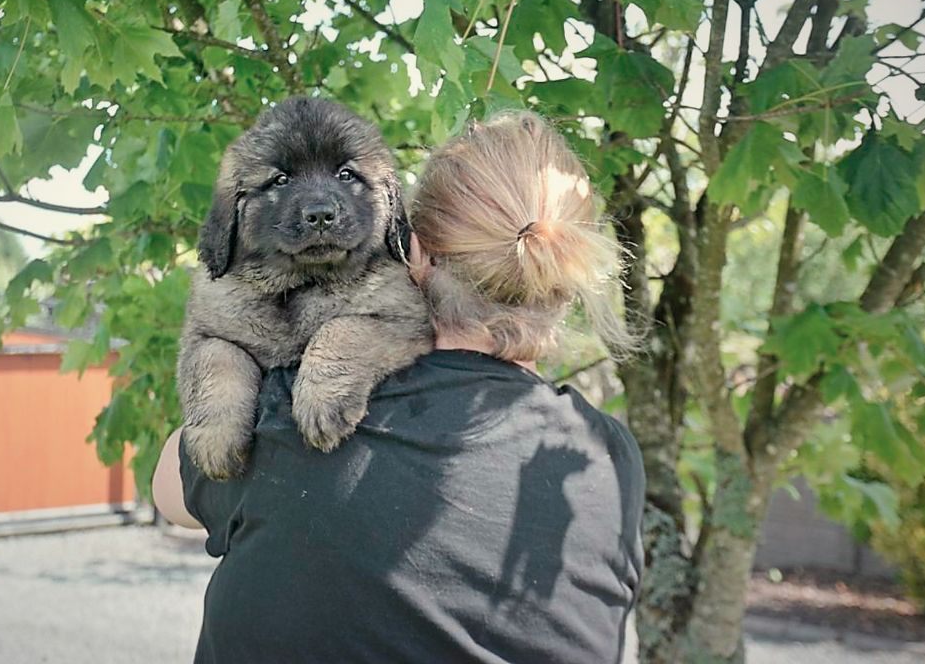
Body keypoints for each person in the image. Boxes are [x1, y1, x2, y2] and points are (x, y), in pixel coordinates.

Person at [154, 111, 646, 664]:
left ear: (411, 248)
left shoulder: (284, 417)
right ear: (563, 277)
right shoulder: (610, 458)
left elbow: (170, 488)